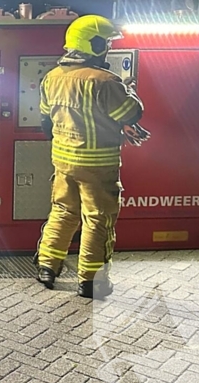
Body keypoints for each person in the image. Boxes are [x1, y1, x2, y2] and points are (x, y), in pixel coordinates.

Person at [35, 15, 148, 299]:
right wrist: (129, 90)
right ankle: (91, 281)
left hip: (63, 162)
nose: (108, 47)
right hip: (98, 166)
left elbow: (45, 122)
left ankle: (47, 266)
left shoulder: (53, 77)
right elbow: (131, 114)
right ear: (94, 44)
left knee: (62, 212)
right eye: (106, 42)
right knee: (97, 219)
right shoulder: (106, 81)